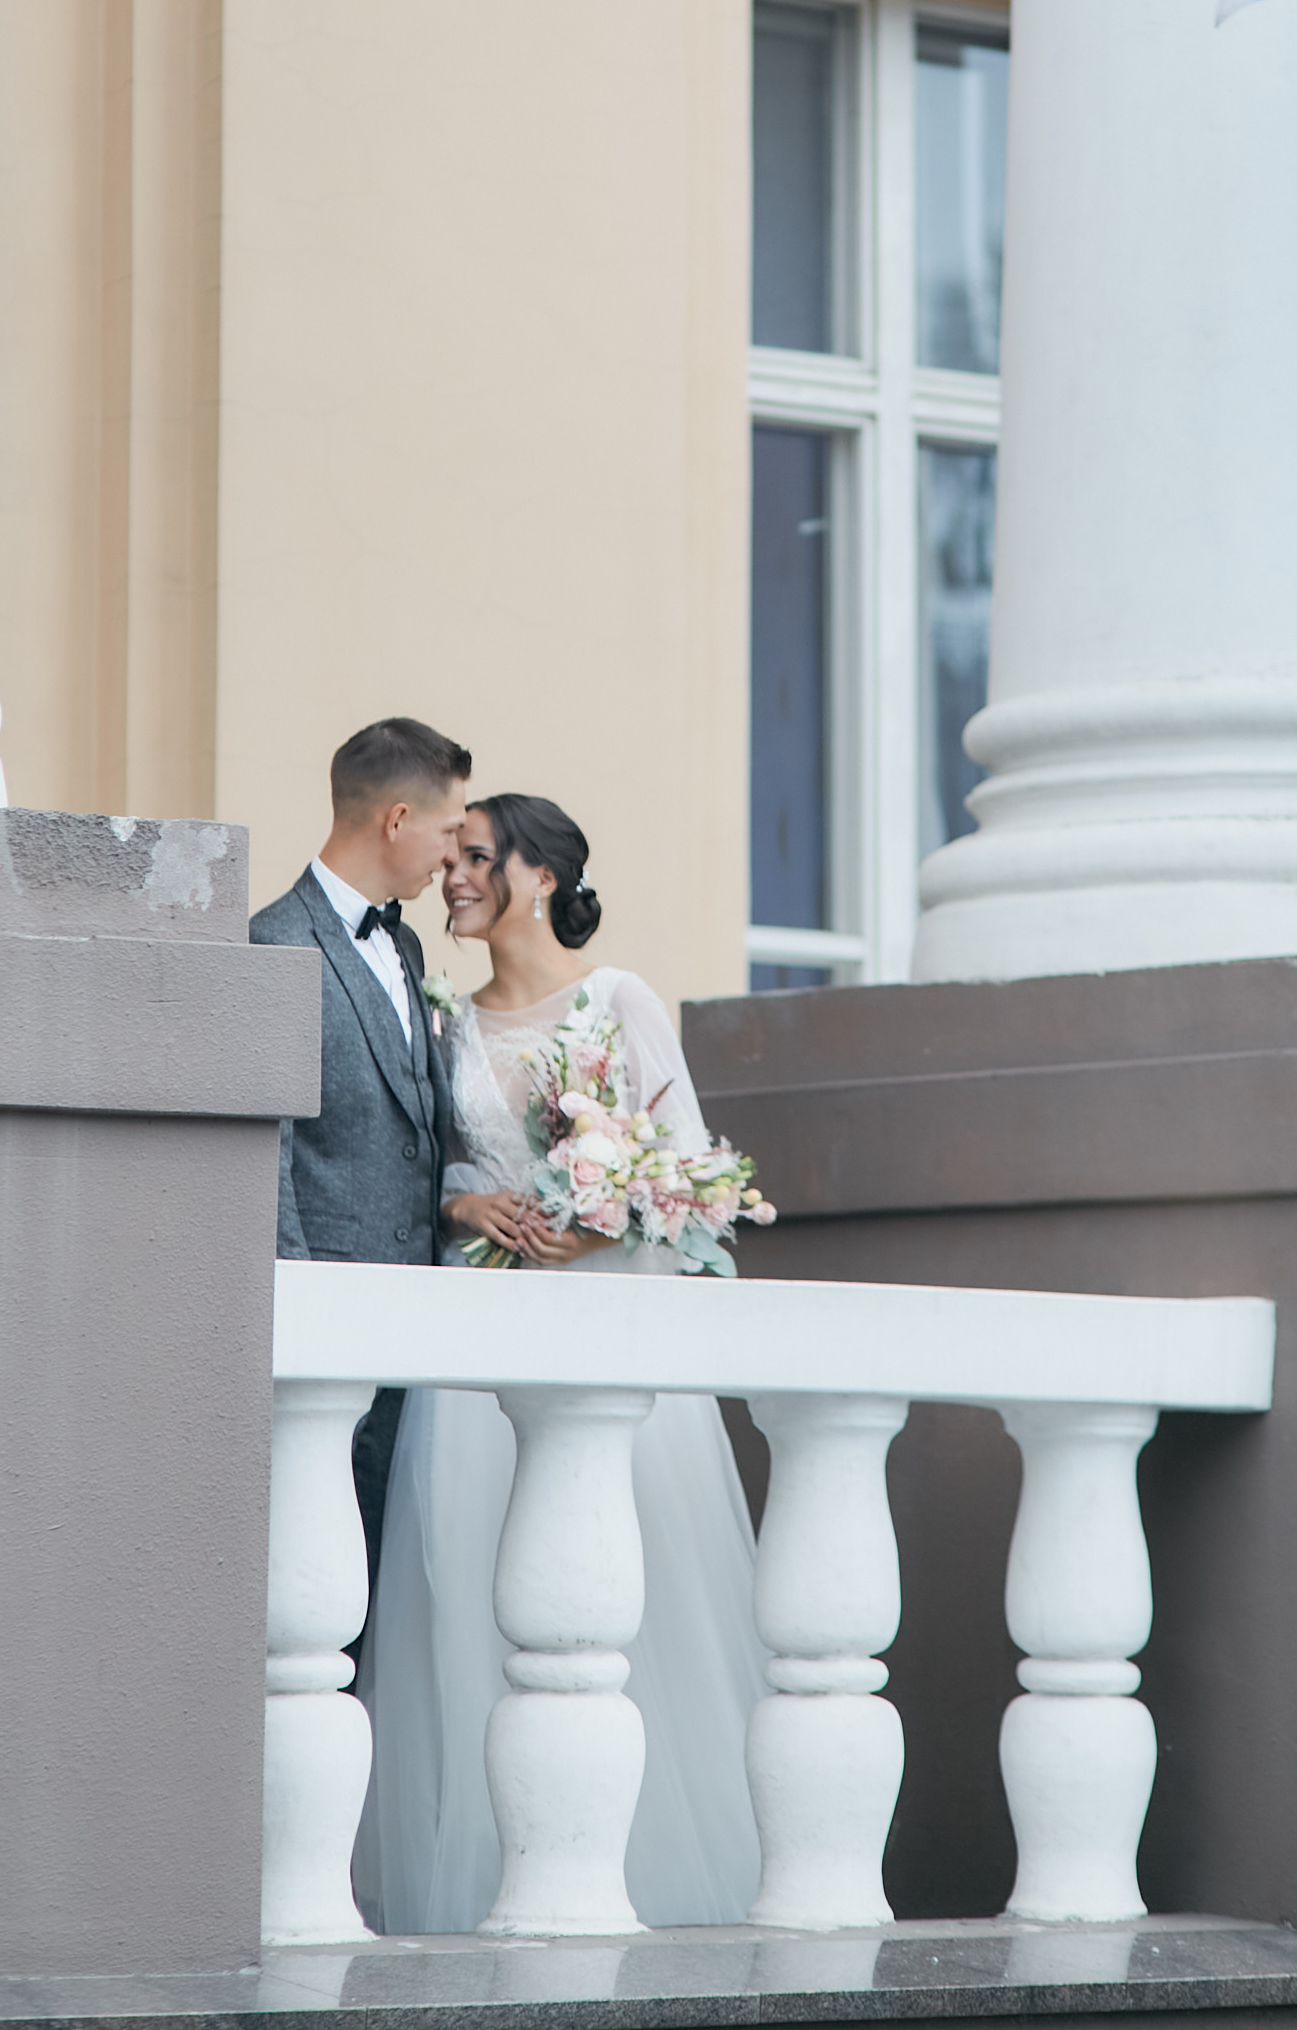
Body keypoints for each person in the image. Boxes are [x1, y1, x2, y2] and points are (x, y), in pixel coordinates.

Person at [353, 793, 767, 1935]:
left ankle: (652, 1883)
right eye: (450, 859)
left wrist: (595, 1224)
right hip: (477, 1365)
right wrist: (464, 1206)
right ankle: (492, 1885)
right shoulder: (444, 1024)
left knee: (628, 1612)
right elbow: (431, 1177)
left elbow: (691, 1182)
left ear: (540, 876)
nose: (453, 876)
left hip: (600, 1342)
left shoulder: (617, 1001)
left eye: (476, 857)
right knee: (471, 1608)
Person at [253, 715, 471, 1588]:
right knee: (320, 1579)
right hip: (330, 1333)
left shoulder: (405, 943)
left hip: (417, 1325)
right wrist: (305, 1314)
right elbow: (270, 1151)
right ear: (397, 819)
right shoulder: (275, 942)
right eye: (448, 832)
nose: (453, 858)